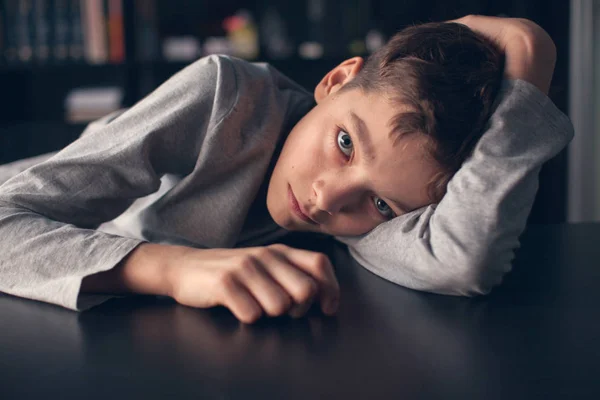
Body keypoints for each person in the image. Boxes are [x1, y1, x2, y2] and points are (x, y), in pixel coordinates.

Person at [0, 15, 573, 323]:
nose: (328, 198)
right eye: (345, 142)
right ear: (337, 80)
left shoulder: (364, 225)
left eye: (380, 204)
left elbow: (464, 259)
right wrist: (176, 270)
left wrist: (528, 64)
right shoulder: (225, 97)